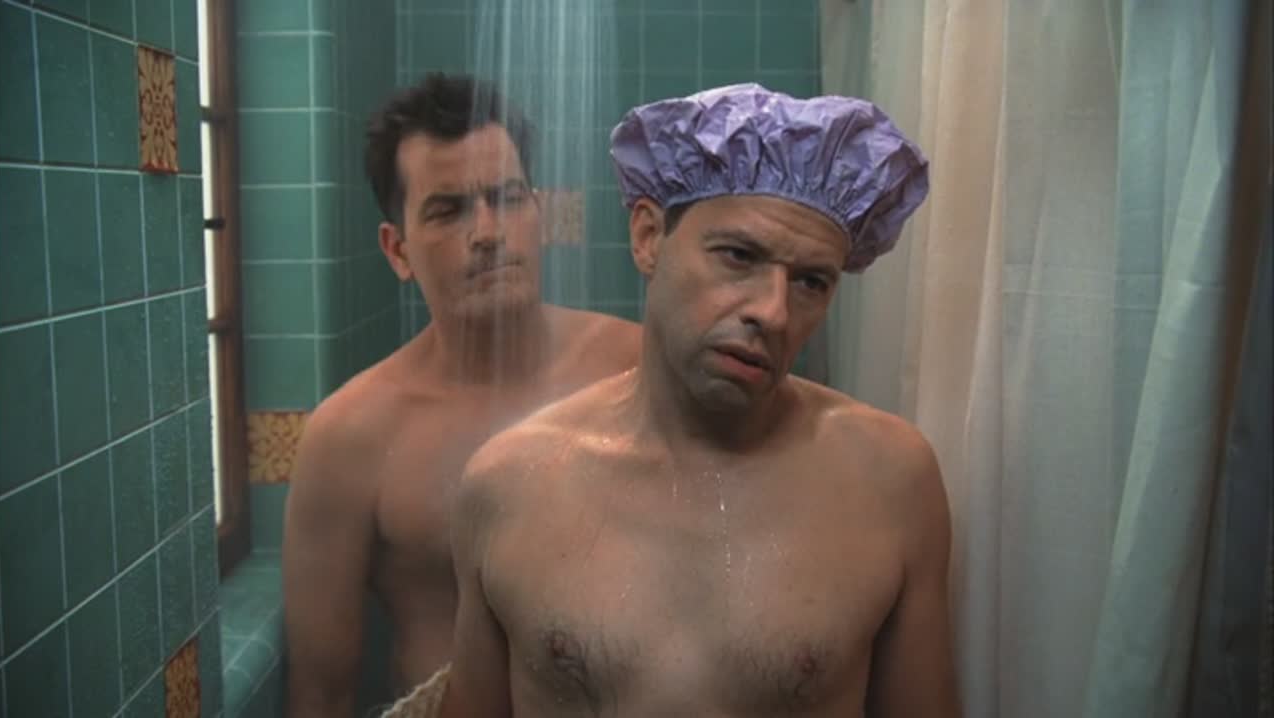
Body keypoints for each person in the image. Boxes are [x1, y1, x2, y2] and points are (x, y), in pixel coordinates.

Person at [437, 84, 961, 717]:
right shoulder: (509, 484)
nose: (773, 312)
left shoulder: (891, 481)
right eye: (739, 256)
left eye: (811, 282)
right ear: (648, 236)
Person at [281, 72, 643, 718]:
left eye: (506, 198)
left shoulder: (634, 369)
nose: (487, 231)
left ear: (538, 214)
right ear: (397, 250)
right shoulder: (351, 437)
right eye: (447, 211)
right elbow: (320, 693)